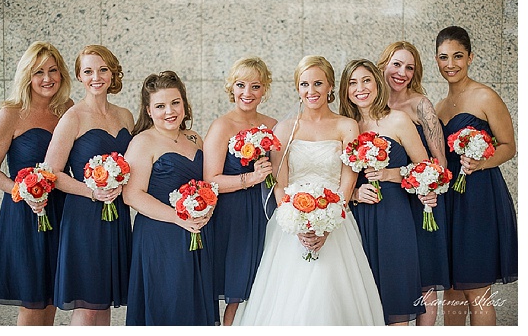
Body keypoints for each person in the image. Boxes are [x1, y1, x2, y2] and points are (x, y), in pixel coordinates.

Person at [234, 55, 384, 326]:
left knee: (329, 294)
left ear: (329, 86)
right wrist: (297, 223)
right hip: (291, 228)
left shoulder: (346, 126)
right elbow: (279, 184)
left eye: (318, 83)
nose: (311, 91)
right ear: (297, 87)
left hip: (336, 222)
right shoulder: (284, 128)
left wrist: (325, 225)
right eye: (304, 84)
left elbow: (346, 184)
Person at [44, 44, 134, 326]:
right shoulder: (73, 117)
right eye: (88, 71)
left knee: (104, 302)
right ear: (80, 77)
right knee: (87, 305)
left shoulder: (125, 116)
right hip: (84, 217)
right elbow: (51, 172)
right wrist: (92, 191)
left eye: (103, 69)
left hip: (116, 216)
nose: (96, 77)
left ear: (112, 73)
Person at [434, 26, 517, 326]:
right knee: (453, 289)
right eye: (444, 57)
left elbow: (509, 146)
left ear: (470, 57)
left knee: (478, 290)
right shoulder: (438, 106)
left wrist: (480, 163)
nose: (451, 64)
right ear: (436, 60)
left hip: (480, 199)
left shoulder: (485, 96)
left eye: (458, 56)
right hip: (448, 203)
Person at [339, 59, 433, 325]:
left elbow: (425, 170)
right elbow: (334, 176)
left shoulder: (399, 120)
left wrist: (394, 174)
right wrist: (355, 194)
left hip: (394, 217)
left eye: (366, 80)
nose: (360, 88)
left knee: (394, 299)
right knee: (361, 303)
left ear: (377, 82)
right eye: (353, 83)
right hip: (356, 222)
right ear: (345, 90)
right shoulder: (345, 126)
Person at [0, 41, 73, 325]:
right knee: (32, 304)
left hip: (61, 211)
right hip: (24, 214)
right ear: (27, 75)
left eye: (53, 70)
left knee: (51, 301)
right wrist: (22, 191)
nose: (47, 79)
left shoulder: (68, 109)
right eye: (38, 72)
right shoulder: (12, 112)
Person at [122, 71, 217, 326]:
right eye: (160, 106)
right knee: (169, 305)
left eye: (175, 102)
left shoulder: (194, 137)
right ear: (149, 111)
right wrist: (179, 218)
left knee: (193, 308)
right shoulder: (143, 142)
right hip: (160, 236)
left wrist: (206, 209)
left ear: (184, 103)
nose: (169, 111)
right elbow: (132, 195)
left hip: (196, 233)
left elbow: (209, 182)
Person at [377, 42, 450, 325]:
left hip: (421, 202)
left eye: (410, 67)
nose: (402, 72)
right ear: (384, 64)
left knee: (424, 278)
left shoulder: (421, 105)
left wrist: (428, 190)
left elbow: (439, 162)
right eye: (396, 64)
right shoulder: (371, 102)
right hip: (389, 204)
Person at [202, 56, 276, 325]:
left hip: (268, 213)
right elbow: (210, 180)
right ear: (231, 87)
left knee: (264, 288)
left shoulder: (272, 124)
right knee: (238, 292)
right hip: (234, 218)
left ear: (264, 89)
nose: (248, 93)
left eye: (255, 86)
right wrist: (250, 178)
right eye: (241, 85)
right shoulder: (221, 126)